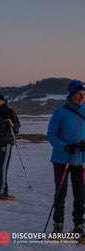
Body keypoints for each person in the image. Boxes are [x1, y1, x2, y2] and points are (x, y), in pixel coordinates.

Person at [47, 80, 85, 237]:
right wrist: (65, 146)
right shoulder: (60, 112)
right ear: (71, 94)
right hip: (62, 159)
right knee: (60, 193)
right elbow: (51, 135)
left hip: (79, 160)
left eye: (84, 95)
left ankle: (79, 225)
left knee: (80, 194)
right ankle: (58, 224)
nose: (82, 97)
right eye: (79, 94)